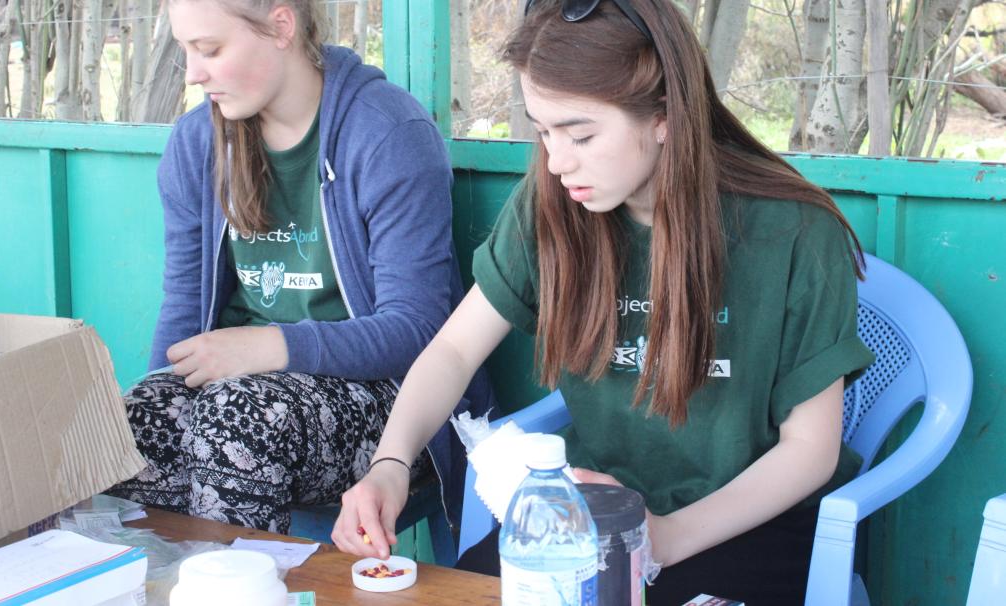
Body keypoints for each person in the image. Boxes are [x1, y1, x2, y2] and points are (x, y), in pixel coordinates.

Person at [332, 1, 874, 604]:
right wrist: (390, 464)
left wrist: (664, 537)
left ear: (665, 114)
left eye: (581, 133)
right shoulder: (551, 207)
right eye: (542, 130)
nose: (558, 161)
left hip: (748, 526)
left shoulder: (794, 231)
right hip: (589, 519)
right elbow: (455, 350)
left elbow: (811, 450)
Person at [106, 0, 494, 536]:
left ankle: (243, 588)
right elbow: (183, 309)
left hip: (393, 399)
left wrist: (272, 346)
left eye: (210, 49)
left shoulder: (386, 132)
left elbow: (419, 329)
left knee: (236, 421)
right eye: (187, 51)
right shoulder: (199, 142)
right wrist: (157, 395)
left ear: (280, 27)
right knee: (126, 432)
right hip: (243, 388)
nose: (194, 74)